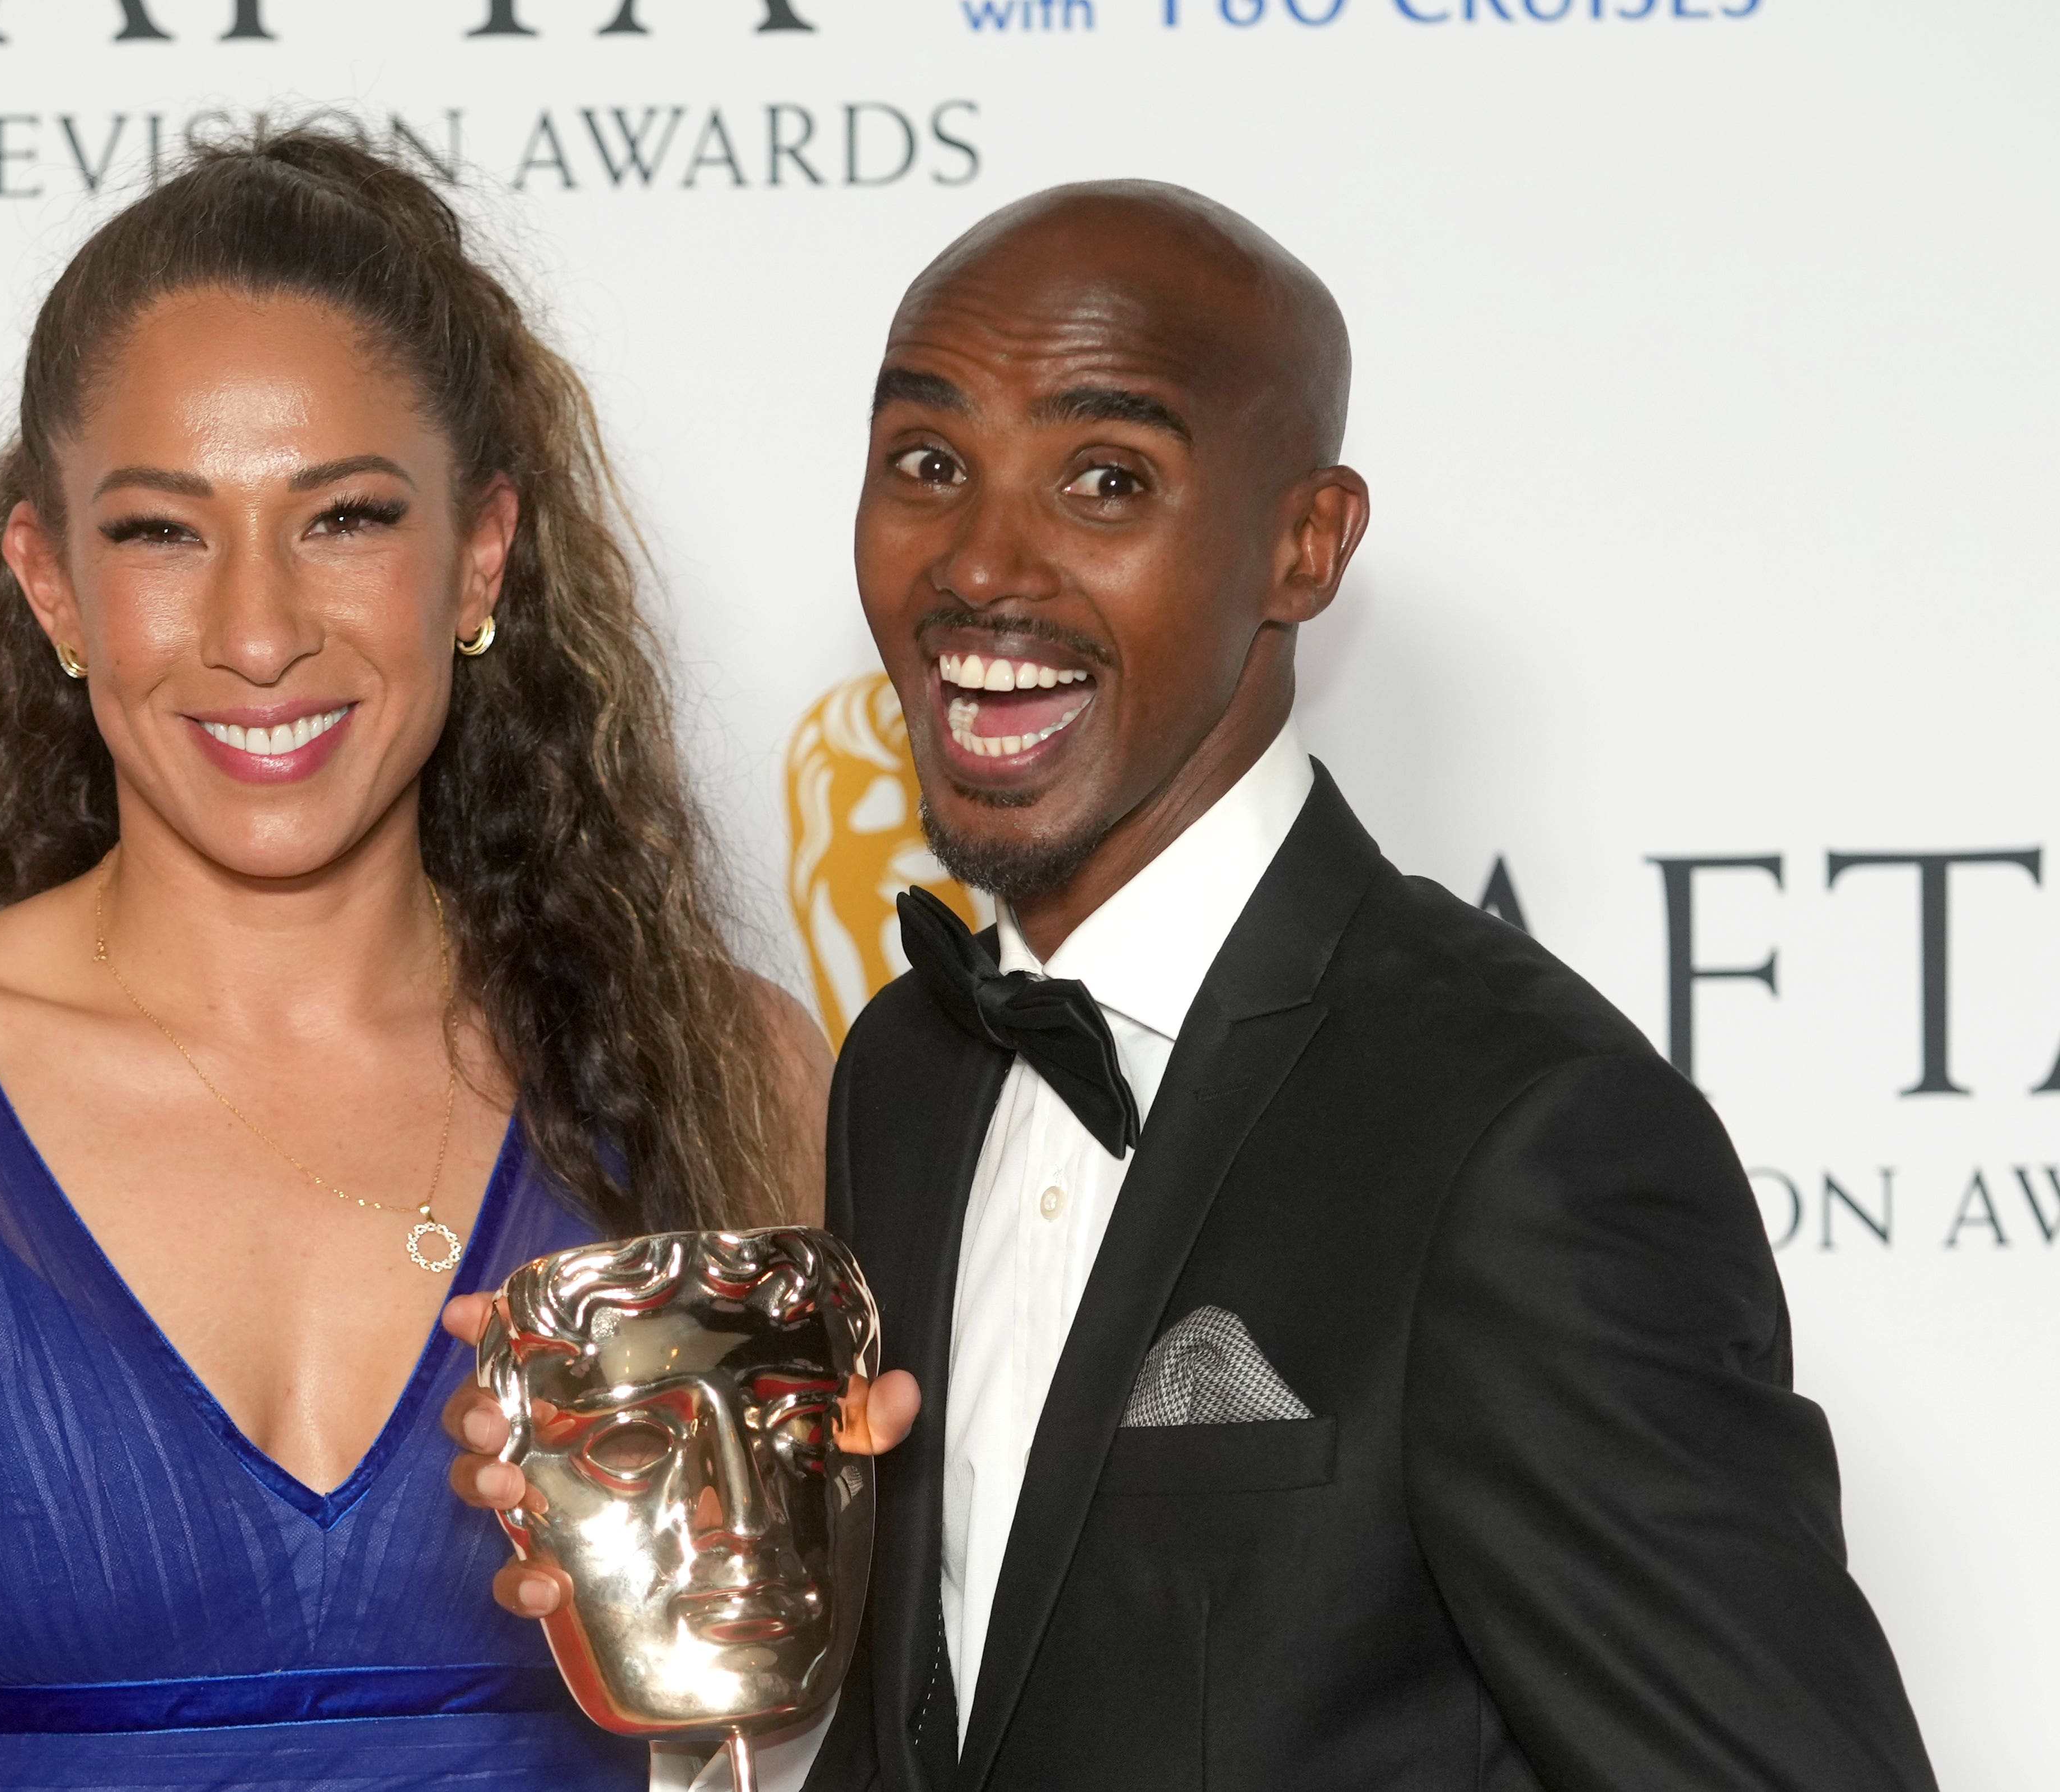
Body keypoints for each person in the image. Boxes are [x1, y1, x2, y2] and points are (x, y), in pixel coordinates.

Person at [449, 180, 1938, 1791]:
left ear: (1306, 543)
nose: (980, 566)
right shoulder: (908, 1070)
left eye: (1106, 479)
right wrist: (732, 1651)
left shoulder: (1517, 1135)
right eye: (928, 466)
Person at [0, 129, 828, 1792]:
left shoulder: (726, 1070)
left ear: (480, 557)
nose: (259, 632)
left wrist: (871, 1567)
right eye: (161, 534)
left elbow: (843, 1733)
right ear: (50, 583)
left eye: (342, 516)